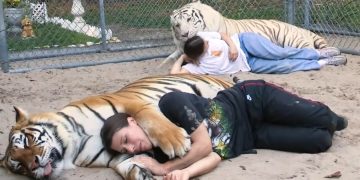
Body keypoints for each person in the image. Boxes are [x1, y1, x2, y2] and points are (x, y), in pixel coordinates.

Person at [101, 79, 348, 180]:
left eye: (126, 139)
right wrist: (186, 173)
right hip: (252, 137)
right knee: (320, 141)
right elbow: (213, 156)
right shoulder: (164, 152)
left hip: (250, 100)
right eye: (124, 149)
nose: (131, 148)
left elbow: (204, 145)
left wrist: (165, 169)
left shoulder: (169, 104)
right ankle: (326, 126)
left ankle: (334, 118)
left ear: (133, 121)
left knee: (325, 119)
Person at [170, 32, 347, 75]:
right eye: (206, 45)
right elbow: (174, 75)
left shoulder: (201, 38)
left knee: (279, 53)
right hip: (248, 65)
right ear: (198, 53)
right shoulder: (196, 67)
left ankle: (318, 53)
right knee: (283, 66)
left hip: (243, 43)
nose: (208, 42)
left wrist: (232, 46)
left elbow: (222, 34)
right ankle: (323, 63)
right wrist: (182, 58)